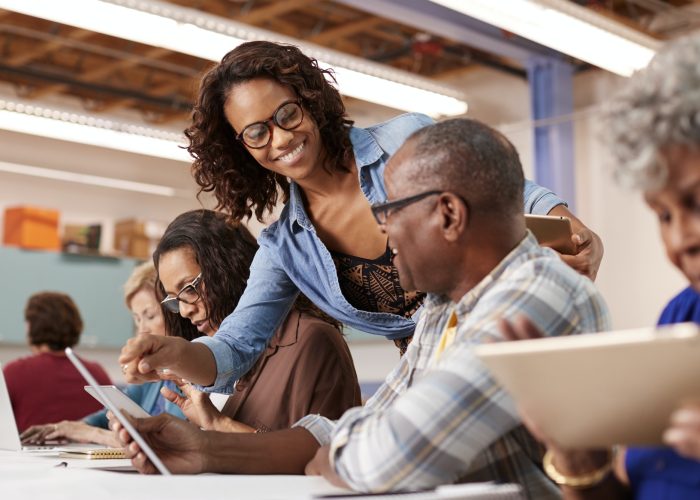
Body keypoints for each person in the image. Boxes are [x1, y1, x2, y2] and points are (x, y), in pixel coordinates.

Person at [113, 119, 609, 498]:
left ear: (449, 215)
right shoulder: (440, 308)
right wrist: (203, 449)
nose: (382, 232)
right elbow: (368, 424)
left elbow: (394, 453)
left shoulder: (533, 296)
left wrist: (338, 452)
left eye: (391, 211)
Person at [119, 40, 604, 396]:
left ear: (309, 101)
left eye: (286, 114)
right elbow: (237, 345)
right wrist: (178, 356)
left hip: (509, 336)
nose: (280, 139)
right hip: (431, 378)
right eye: (256, 133)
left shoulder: (404, 141)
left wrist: (568, 225)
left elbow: (506, 190)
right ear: (240, 148)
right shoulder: (285, 247)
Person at [499, 33, 700, 499]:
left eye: (696, 203)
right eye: (663, 214)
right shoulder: (681, 318)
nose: (679, 238)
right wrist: (575, 452)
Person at [151, 209, 360, 432]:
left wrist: (221, 425)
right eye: (174, 299)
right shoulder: (206, 366)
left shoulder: (312, 341)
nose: (183, 310)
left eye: (190, 288)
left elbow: (325, 455)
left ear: (229, 268)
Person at [20, 262, 185, 446]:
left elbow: (169, 445)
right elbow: (107, 414)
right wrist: (69, 428)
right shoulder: (152, 377)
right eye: (137, 320)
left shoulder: (189, 376)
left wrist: (89, 433)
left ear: (176, 313)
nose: (142, 331)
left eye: (150, 316)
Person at [3, 292, 111, 432]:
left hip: (29, 453)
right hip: (89, 452)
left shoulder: (14, 373)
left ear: (30, 327)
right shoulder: (98, 374)